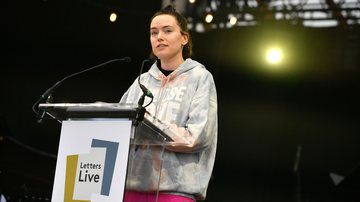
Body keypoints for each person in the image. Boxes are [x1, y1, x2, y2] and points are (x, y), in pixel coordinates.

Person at [120, 5, 218, 202]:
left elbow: (197, 137)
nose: (159, 37)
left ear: (184, 38)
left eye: (167, 30)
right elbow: (118, 128)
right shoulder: (142, 81)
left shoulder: (200, 78)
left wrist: (152, 130)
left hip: (176, 191)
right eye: (153, 32)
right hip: (132, 188)